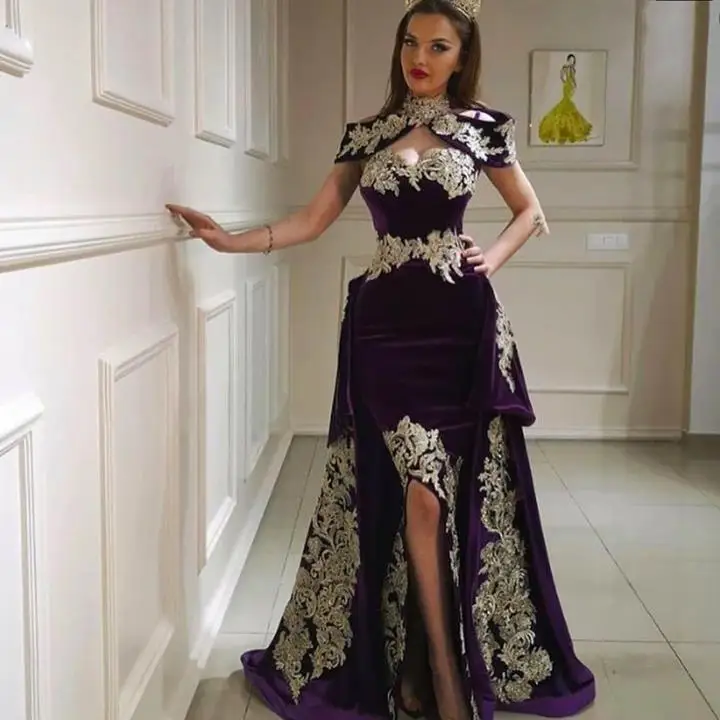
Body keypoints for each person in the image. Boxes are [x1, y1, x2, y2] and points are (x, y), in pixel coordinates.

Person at [167, 0, 596, 718]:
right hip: (383, 332)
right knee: (411, 493)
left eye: (438, 46)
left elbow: (530, 211)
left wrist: (491, 257)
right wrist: (229, 242)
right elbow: (314, 219)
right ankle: (434, 680)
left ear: (463, 56)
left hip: (458, 329)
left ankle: (433, 676)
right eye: (410, 42)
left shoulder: (483, 129)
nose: (419, 58)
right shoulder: (367, 133)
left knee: (435, 499)